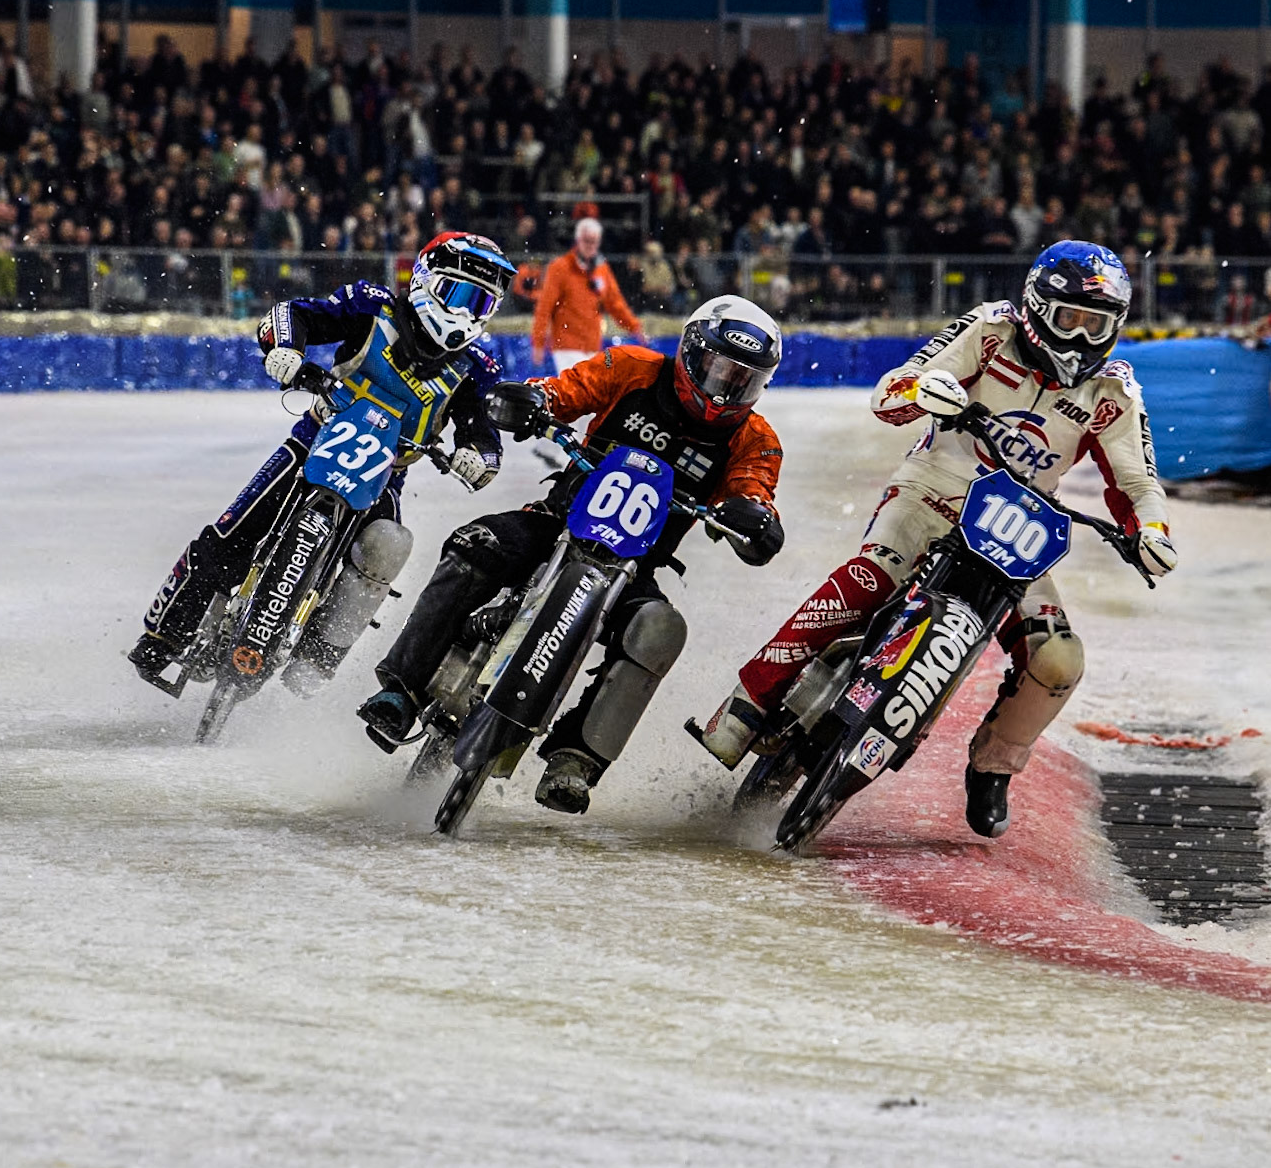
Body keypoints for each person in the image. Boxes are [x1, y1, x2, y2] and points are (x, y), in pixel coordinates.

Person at [693, 242, 1177, 838]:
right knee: (866, 579)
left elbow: (1137, 480)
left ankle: (994, 766)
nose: (1078, 339)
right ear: (1035, 307)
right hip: (934, 490)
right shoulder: (989, 329)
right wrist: (924, 391)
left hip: (1018, 525)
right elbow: (891, 391)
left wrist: (1151, 530)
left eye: (1094, 324)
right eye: (1067, 319)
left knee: (1060, 659)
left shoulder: (1115, 392)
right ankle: (749, 701)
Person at [361, 295, 789, 814]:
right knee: (472, 546)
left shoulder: (755, 439)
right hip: (554, 522)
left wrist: (753, 519)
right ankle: (402, 690)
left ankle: (576, 759)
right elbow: (564, 392)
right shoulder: (631, 367)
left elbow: (755, 493)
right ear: (691, 355)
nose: (726, 388)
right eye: (720, 371)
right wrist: (535, 403)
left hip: (636, 569)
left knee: (659, 630)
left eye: (743, 380)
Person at [130, 231, 518, 690]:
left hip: (385, 476)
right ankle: (162, 635)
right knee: (232, 533)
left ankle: (318, 660)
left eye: (480, 303)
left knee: (388, 547)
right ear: (424, 279)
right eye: (458, 294)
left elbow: (484, 433)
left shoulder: (474, 369)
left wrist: (478, 458)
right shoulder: (370, 307)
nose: (464, 313)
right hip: (312, 442)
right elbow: (293, 314)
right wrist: (287, 348)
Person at [531, 217, 647, 373]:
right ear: (578, 240)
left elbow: (615, 303)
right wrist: (538, 342)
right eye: (587, 241)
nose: (590, 246)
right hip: (566, 346)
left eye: (594, 241)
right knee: (574, 392)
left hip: (592, 345)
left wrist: (634, 327)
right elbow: (545, 307)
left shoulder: (601, 269)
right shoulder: (560, 267)